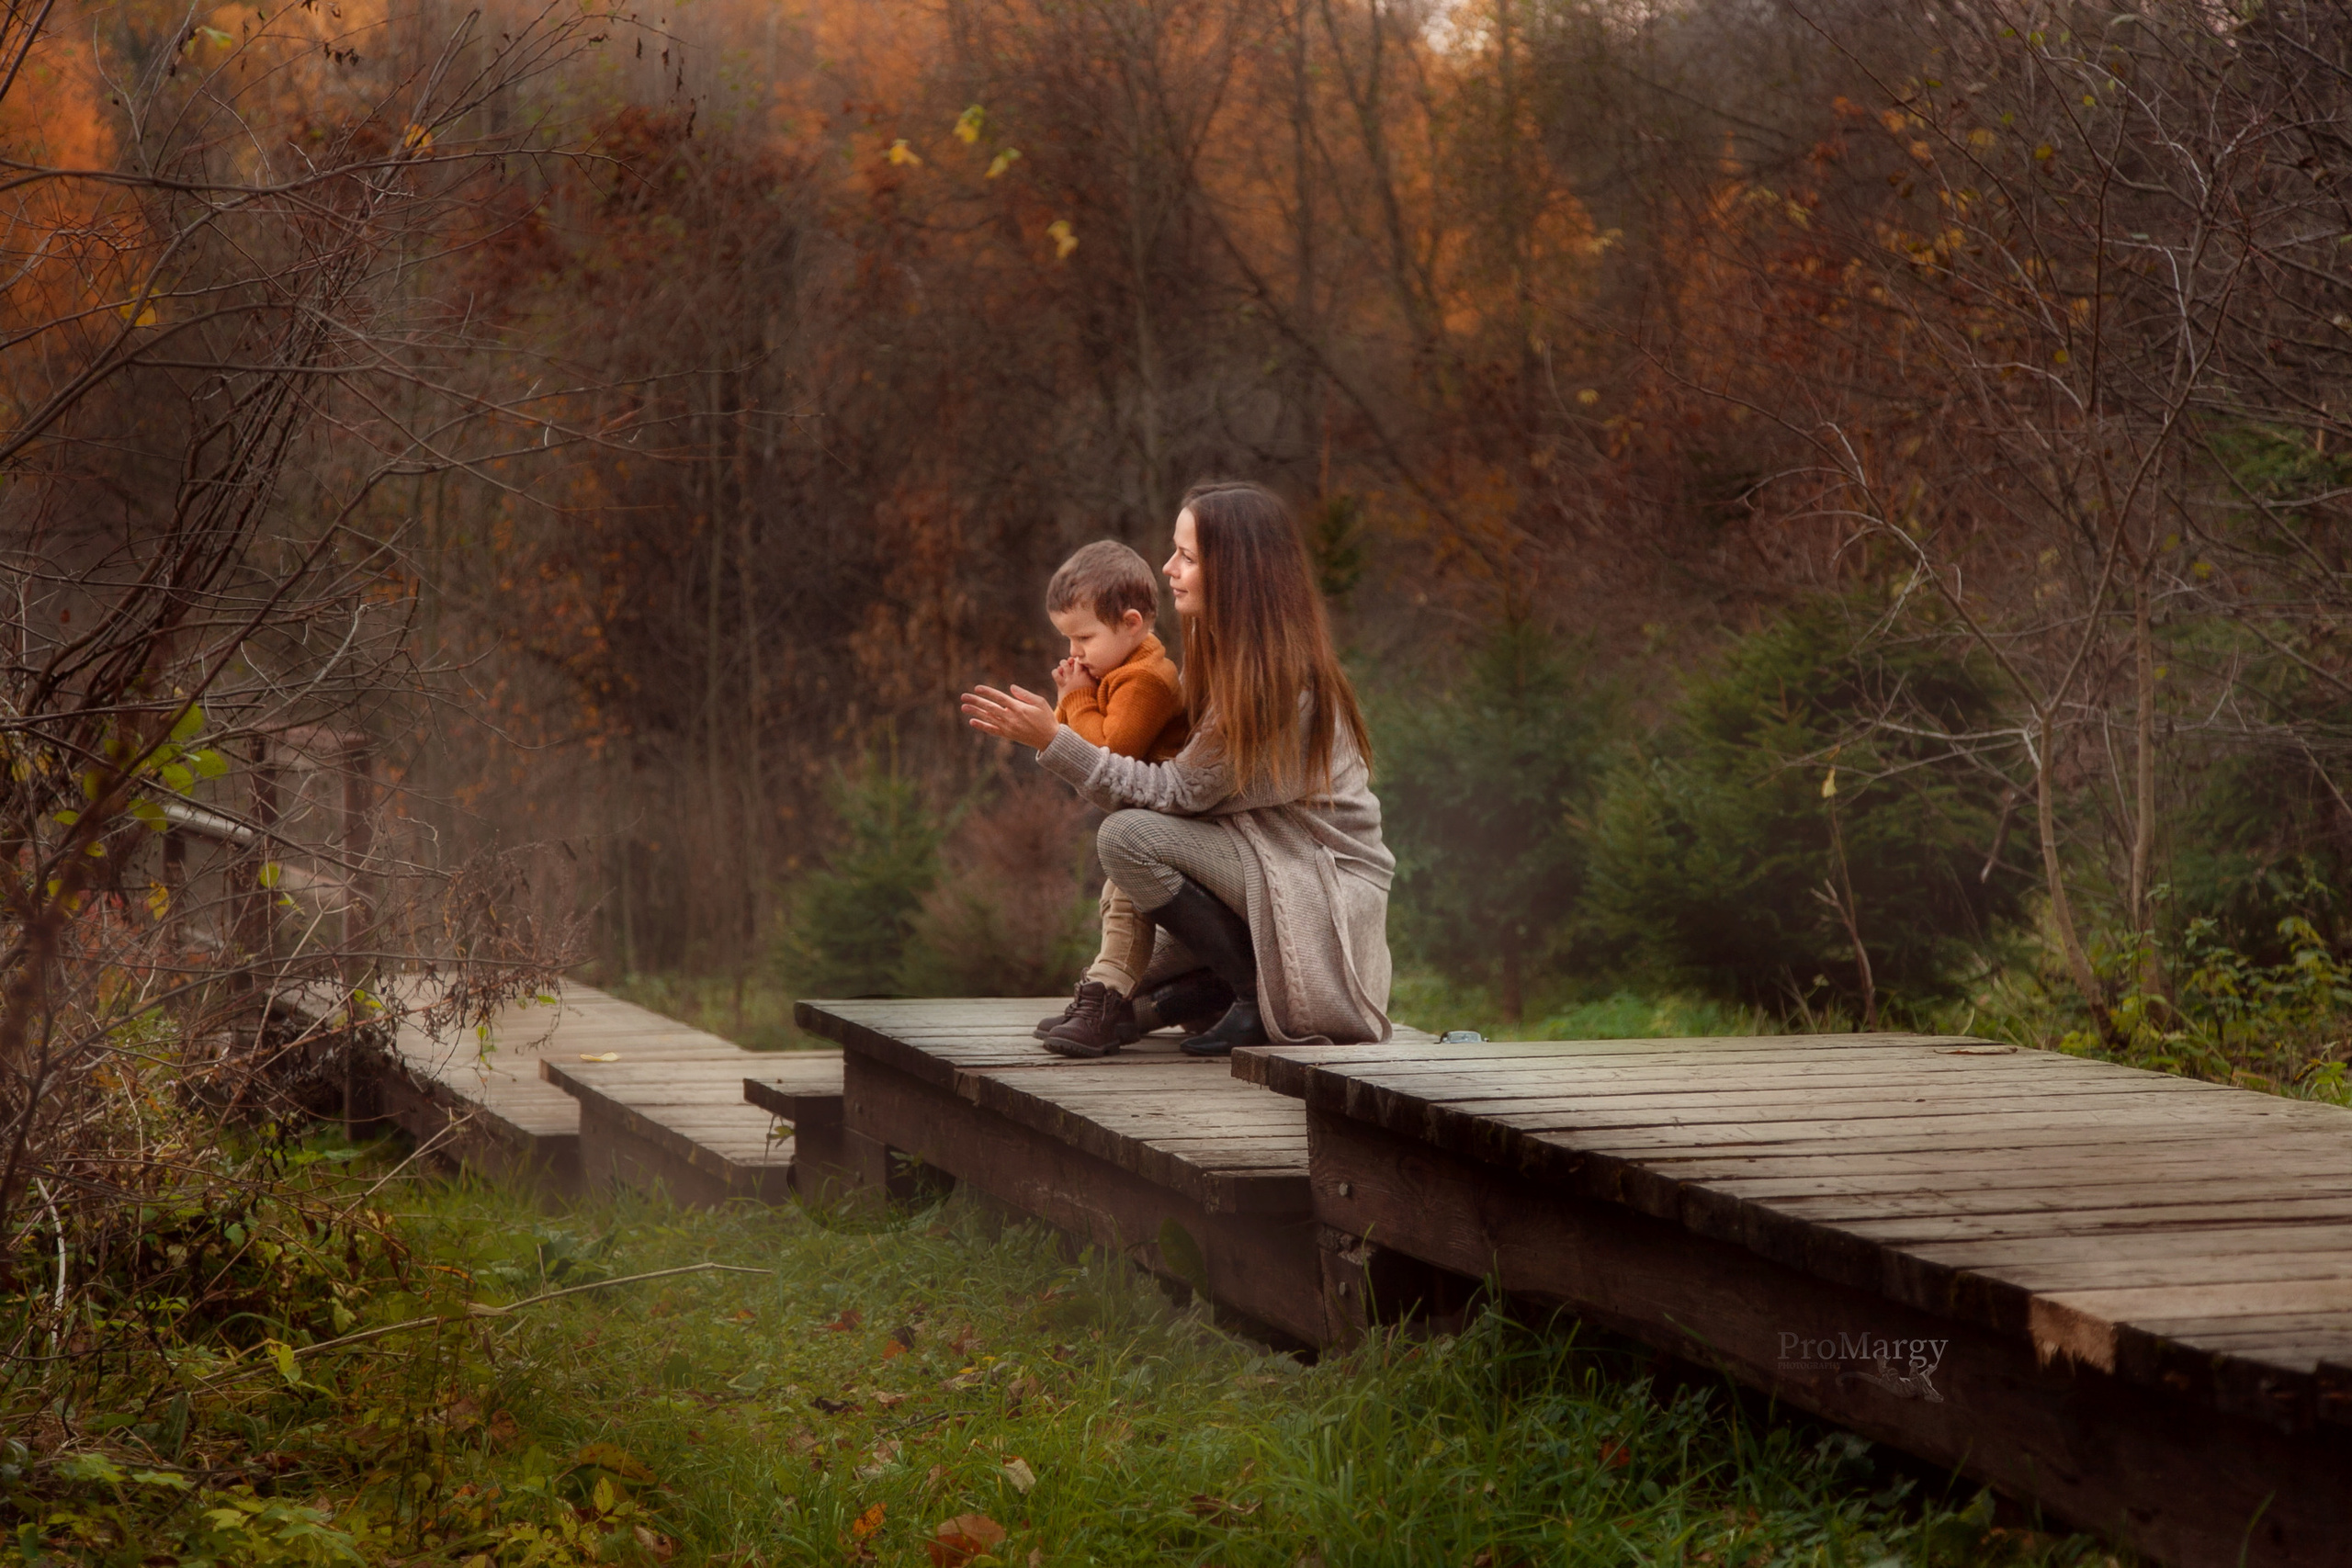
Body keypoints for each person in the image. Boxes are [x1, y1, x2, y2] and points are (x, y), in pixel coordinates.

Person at [961, 479, 1394, 1056]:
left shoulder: (1278, 682)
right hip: (1259, 860)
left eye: (1186, 556)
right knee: (1129, 970)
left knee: (1127, 837)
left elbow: (1179, 792)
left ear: (1236, 570)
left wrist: (1056, 738)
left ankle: (1249, 996)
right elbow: (1170, 784)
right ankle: (1166, 1004)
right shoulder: (1222, 659)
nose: (1168, 567)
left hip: (1319, 884)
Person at [1031, 540, 1192, 1055]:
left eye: (1083, 638)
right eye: (1068, 640)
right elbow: (1075, 741)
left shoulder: (1147, 679)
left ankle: (1105, 1004)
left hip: (1177, 822)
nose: (1074, 652)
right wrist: (1065, 708)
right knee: (1115, 901)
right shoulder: (1115, 671)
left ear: (1131, 623)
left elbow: (1108, 748)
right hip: (1149, 825)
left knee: (1123, 902)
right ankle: (1107, 1002)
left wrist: (1073, 700)